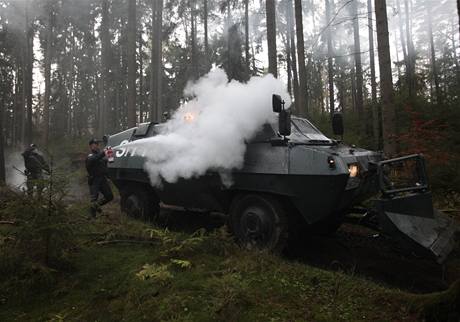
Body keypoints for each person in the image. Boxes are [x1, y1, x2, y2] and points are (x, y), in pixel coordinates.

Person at [86, 138, 113, 218]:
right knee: (94, 198)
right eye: (95, 144)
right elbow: (95, 158)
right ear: (91, 146)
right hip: (94, 180)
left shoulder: (101, 156)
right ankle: (92, 217)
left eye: (98, 144)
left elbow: (109, 162)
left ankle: (96, 206)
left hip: (102, 179)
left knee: (109, 196)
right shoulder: (90, 156)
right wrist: (104, 152)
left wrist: (110, 154)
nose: (97, 145)